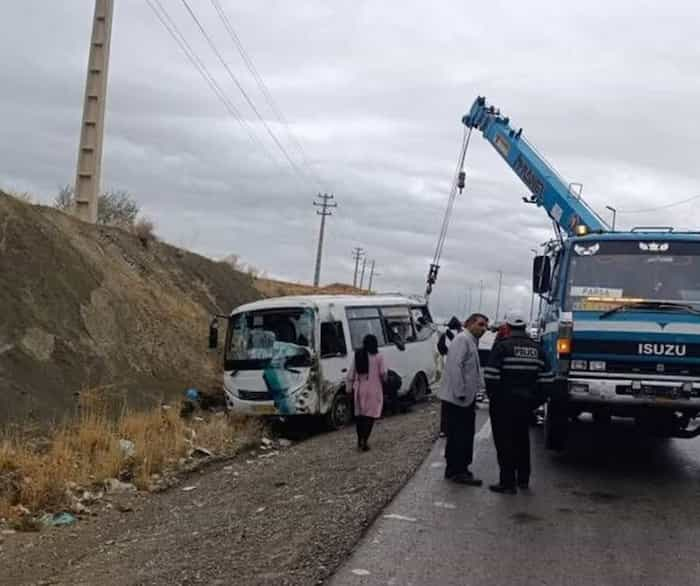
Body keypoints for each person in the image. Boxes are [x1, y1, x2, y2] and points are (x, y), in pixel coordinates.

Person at [484, 310, 553, 494]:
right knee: (522, 441)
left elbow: (491, 376)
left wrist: (496, 399)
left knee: (504, 442)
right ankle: (523, 480)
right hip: (526, 405)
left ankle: (507, 483)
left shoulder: (502, 347)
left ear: (508, 326)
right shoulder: (538, 350)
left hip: (503, 405)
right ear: (525, 327)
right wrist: (534, 402)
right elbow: (547, 380)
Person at [437, 312, 489, 485]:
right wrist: (460, 392)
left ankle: (458, 469)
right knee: (459, 435)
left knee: (463, 434)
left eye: (485, 326)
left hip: (465, 397)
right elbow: (455, 367)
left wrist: (480, 389)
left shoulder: (471, 341)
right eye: (480, 324)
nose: (484, 329)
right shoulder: (462, 340)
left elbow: (472, 370)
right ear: (469, 323)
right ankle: (457, 471)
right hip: (458, 398)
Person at [346, 334, 387, 451]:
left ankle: (359, 440)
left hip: (359, 389)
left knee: (360, 416)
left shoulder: (358, 355)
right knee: (371, 416)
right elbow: (383, 373)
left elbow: (350, 374)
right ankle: (365, 440)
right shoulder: (379, 356)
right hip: (374, 389)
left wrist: (349, 389)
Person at [437, 316, 464, 437]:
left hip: (446, 368)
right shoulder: (462, 336)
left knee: (446, 401)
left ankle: (444, 429)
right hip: (459, 370)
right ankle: (457, 427)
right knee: (458, 400)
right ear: (458, 326)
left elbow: (440, 348)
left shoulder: (444, 336)